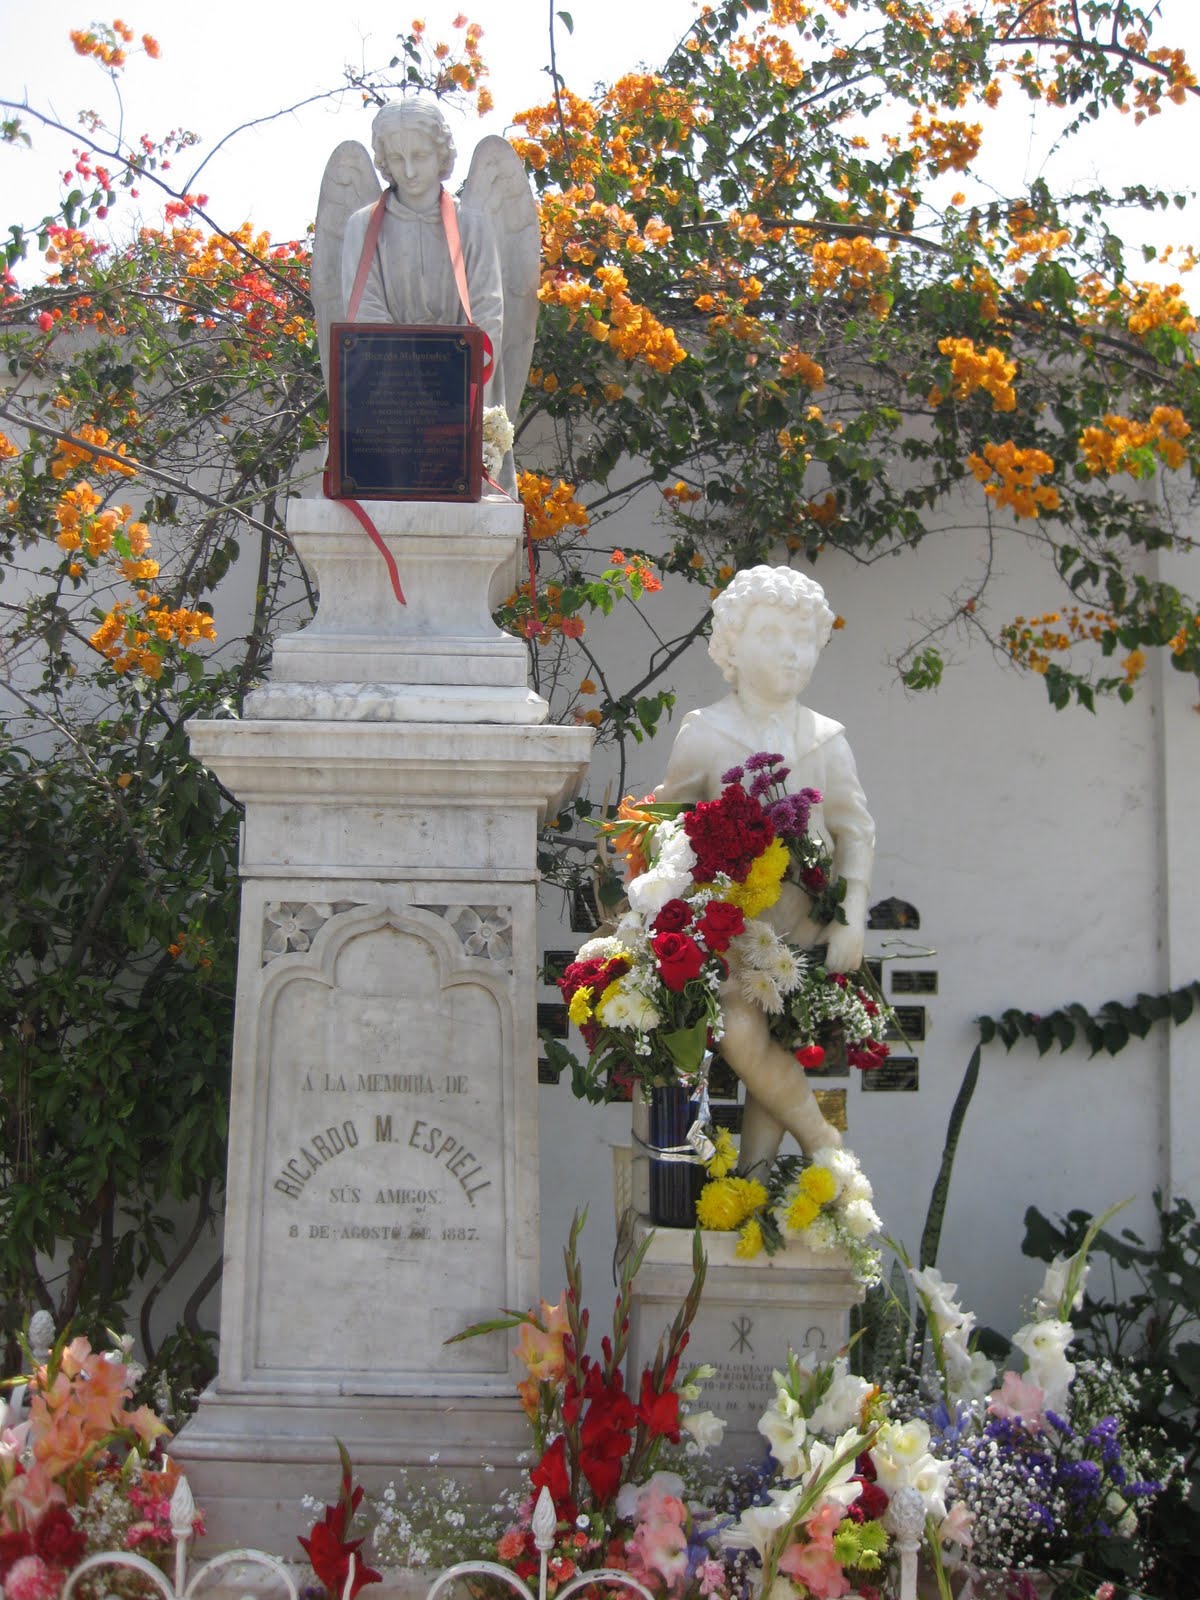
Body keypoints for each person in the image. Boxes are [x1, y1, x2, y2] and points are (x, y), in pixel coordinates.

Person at [655, 565, 876, 1174]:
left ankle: (754, 1193)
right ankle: (825, 1145)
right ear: (730, 644)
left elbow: (855, 830)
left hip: (805, 930)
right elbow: (663, 826)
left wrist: (851, 916)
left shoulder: (826, 740)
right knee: (742, 1036)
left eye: (804, 639)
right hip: (734, 934)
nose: (791, 651)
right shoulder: (705, 735)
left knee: (783, 1052)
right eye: (773, 634)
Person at [341, 101, 508, 421]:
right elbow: (364, 313)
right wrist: (406, 387)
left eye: (419, 156)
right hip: (388, 404)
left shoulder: (472, 226)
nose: (409, 171)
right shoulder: (361, 227)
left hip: (456, 398)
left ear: (440, 153)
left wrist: (449, 384)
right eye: (396, 158)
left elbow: (487, 313)